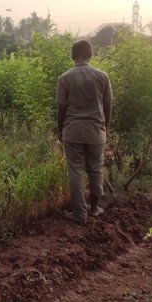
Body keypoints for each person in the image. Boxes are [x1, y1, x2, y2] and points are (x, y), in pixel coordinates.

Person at [56, 39, 112, 225]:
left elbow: (61, 108)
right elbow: (108, 106)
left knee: (75, 171)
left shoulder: (65, 78)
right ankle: (95, 208)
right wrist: (106, 127)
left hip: (73, 131)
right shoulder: (102, 77)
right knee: (96, 169)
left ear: (73, 56)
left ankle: (79, 214)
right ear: (90, 55)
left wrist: (60, 130)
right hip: (96, 132)